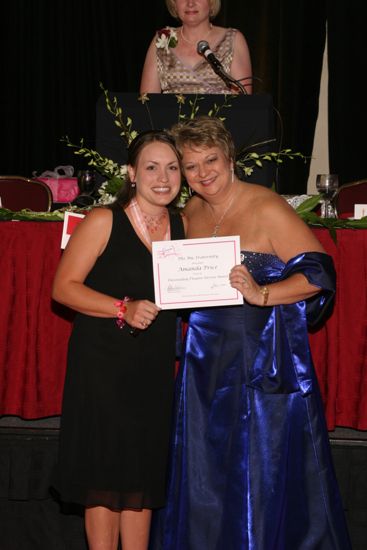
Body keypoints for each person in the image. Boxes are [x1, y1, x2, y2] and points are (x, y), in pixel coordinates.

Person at [149, 116, 352, 549]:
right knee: (207, 466)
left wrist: (262, 294)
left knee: (259, 465)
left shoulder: (265, 205)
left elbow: (320, 273)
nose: (203, 173)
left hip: (261, 357)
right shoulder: (191, 210)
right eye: (191, 165)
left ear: (230, 158)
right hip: (204, 358)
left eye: (211, 160)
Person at [51, 130, 185, 550]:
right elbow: (63, 288)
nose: (163, 177)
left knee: (143, 471)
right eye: (151, 166)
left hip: (154, 366)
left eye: (172, 167)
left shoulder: (183, 224)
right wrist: (122, 308)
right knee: (105, 474)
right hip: (103, 367)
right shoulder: (104, 220)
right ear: (131, 172)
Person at [140, 0, 252, 95]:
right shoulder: (162, 40)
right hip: (171, 121)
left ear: (211, 2)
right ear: (174, 3)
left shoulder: (232, 39)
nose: (190, 3)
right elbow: (147, 104)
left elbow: (242, 105)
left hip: (219, 121)